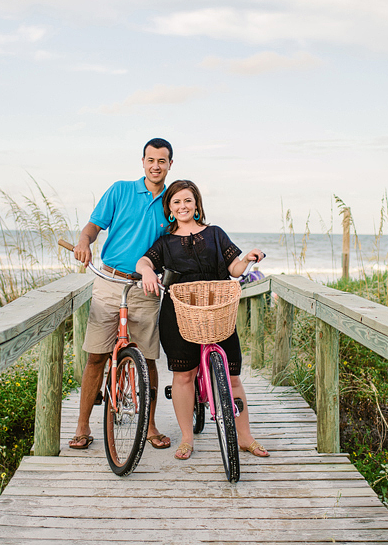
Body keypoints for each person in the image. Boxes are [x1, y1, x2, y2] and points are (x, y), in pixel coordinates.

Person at [135, 179, 269, 461]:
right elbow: (144, 262)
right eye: (176, 202)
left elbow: (234, 268)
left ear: (196, 204)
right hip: (179, 312)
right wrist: (147, 272)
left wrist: (248, 259)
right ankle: (187, 439)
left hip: (217, 309)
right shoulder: (165, 242)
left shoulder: (216, 234)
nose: (182, 206)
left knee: (232, 377)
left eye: (187, 200)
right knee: (184, 375)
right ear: (169, 209)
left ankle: (245, 437)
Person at [67, 138, 174, 451]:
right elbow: (92, 228)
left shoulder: (172, 200)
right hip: (109, 281)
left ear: (170, 165)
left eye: (162, 161)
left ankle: (151, 424)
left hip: (147, 287)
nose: (156, 166)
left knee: (148, 358)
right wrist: (85, 243)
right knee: (96, 356)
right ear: (142, 162)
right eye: (151, 160)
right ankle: (83, 425)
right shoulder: (120, 190)